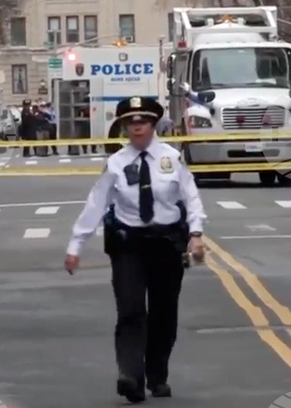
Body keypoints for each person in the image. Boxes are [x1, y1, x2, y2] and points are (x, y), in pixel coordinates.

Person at [64, 96, 206, 403]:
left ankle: (157, 377)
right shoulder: (117, 163)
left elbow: (191, 197)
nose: (136, 127)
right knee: (130, 311)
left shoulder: (172, 158)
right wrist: (76, 245)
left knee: (163, 314)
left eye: (142, 122)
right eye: (131, 122)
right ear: (124, 127)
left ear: (153, 125)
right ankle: (130, 376)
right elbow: (96, 203)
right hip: (129, 245)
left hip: (167, 244)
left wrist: (196, 234)